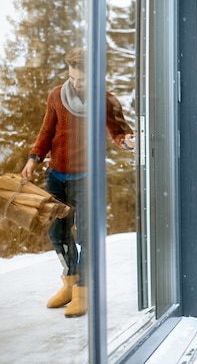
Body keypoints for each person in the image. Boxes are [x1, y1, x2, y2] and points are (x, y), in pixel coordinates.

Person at [21, 48, 135, 318]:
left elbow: (120, 132)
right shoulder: (57, 95)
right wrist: (33, 159)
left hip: (87, 178)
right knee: (56, 233)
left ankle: (84, 290)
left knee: (85, 235)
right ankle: (70, 282)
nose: (76, 83)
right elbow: (47, 130)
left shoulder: (105, 101)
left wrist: (128, 142)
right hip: (56, 176)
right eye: (73, 77)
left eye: (82, 79)